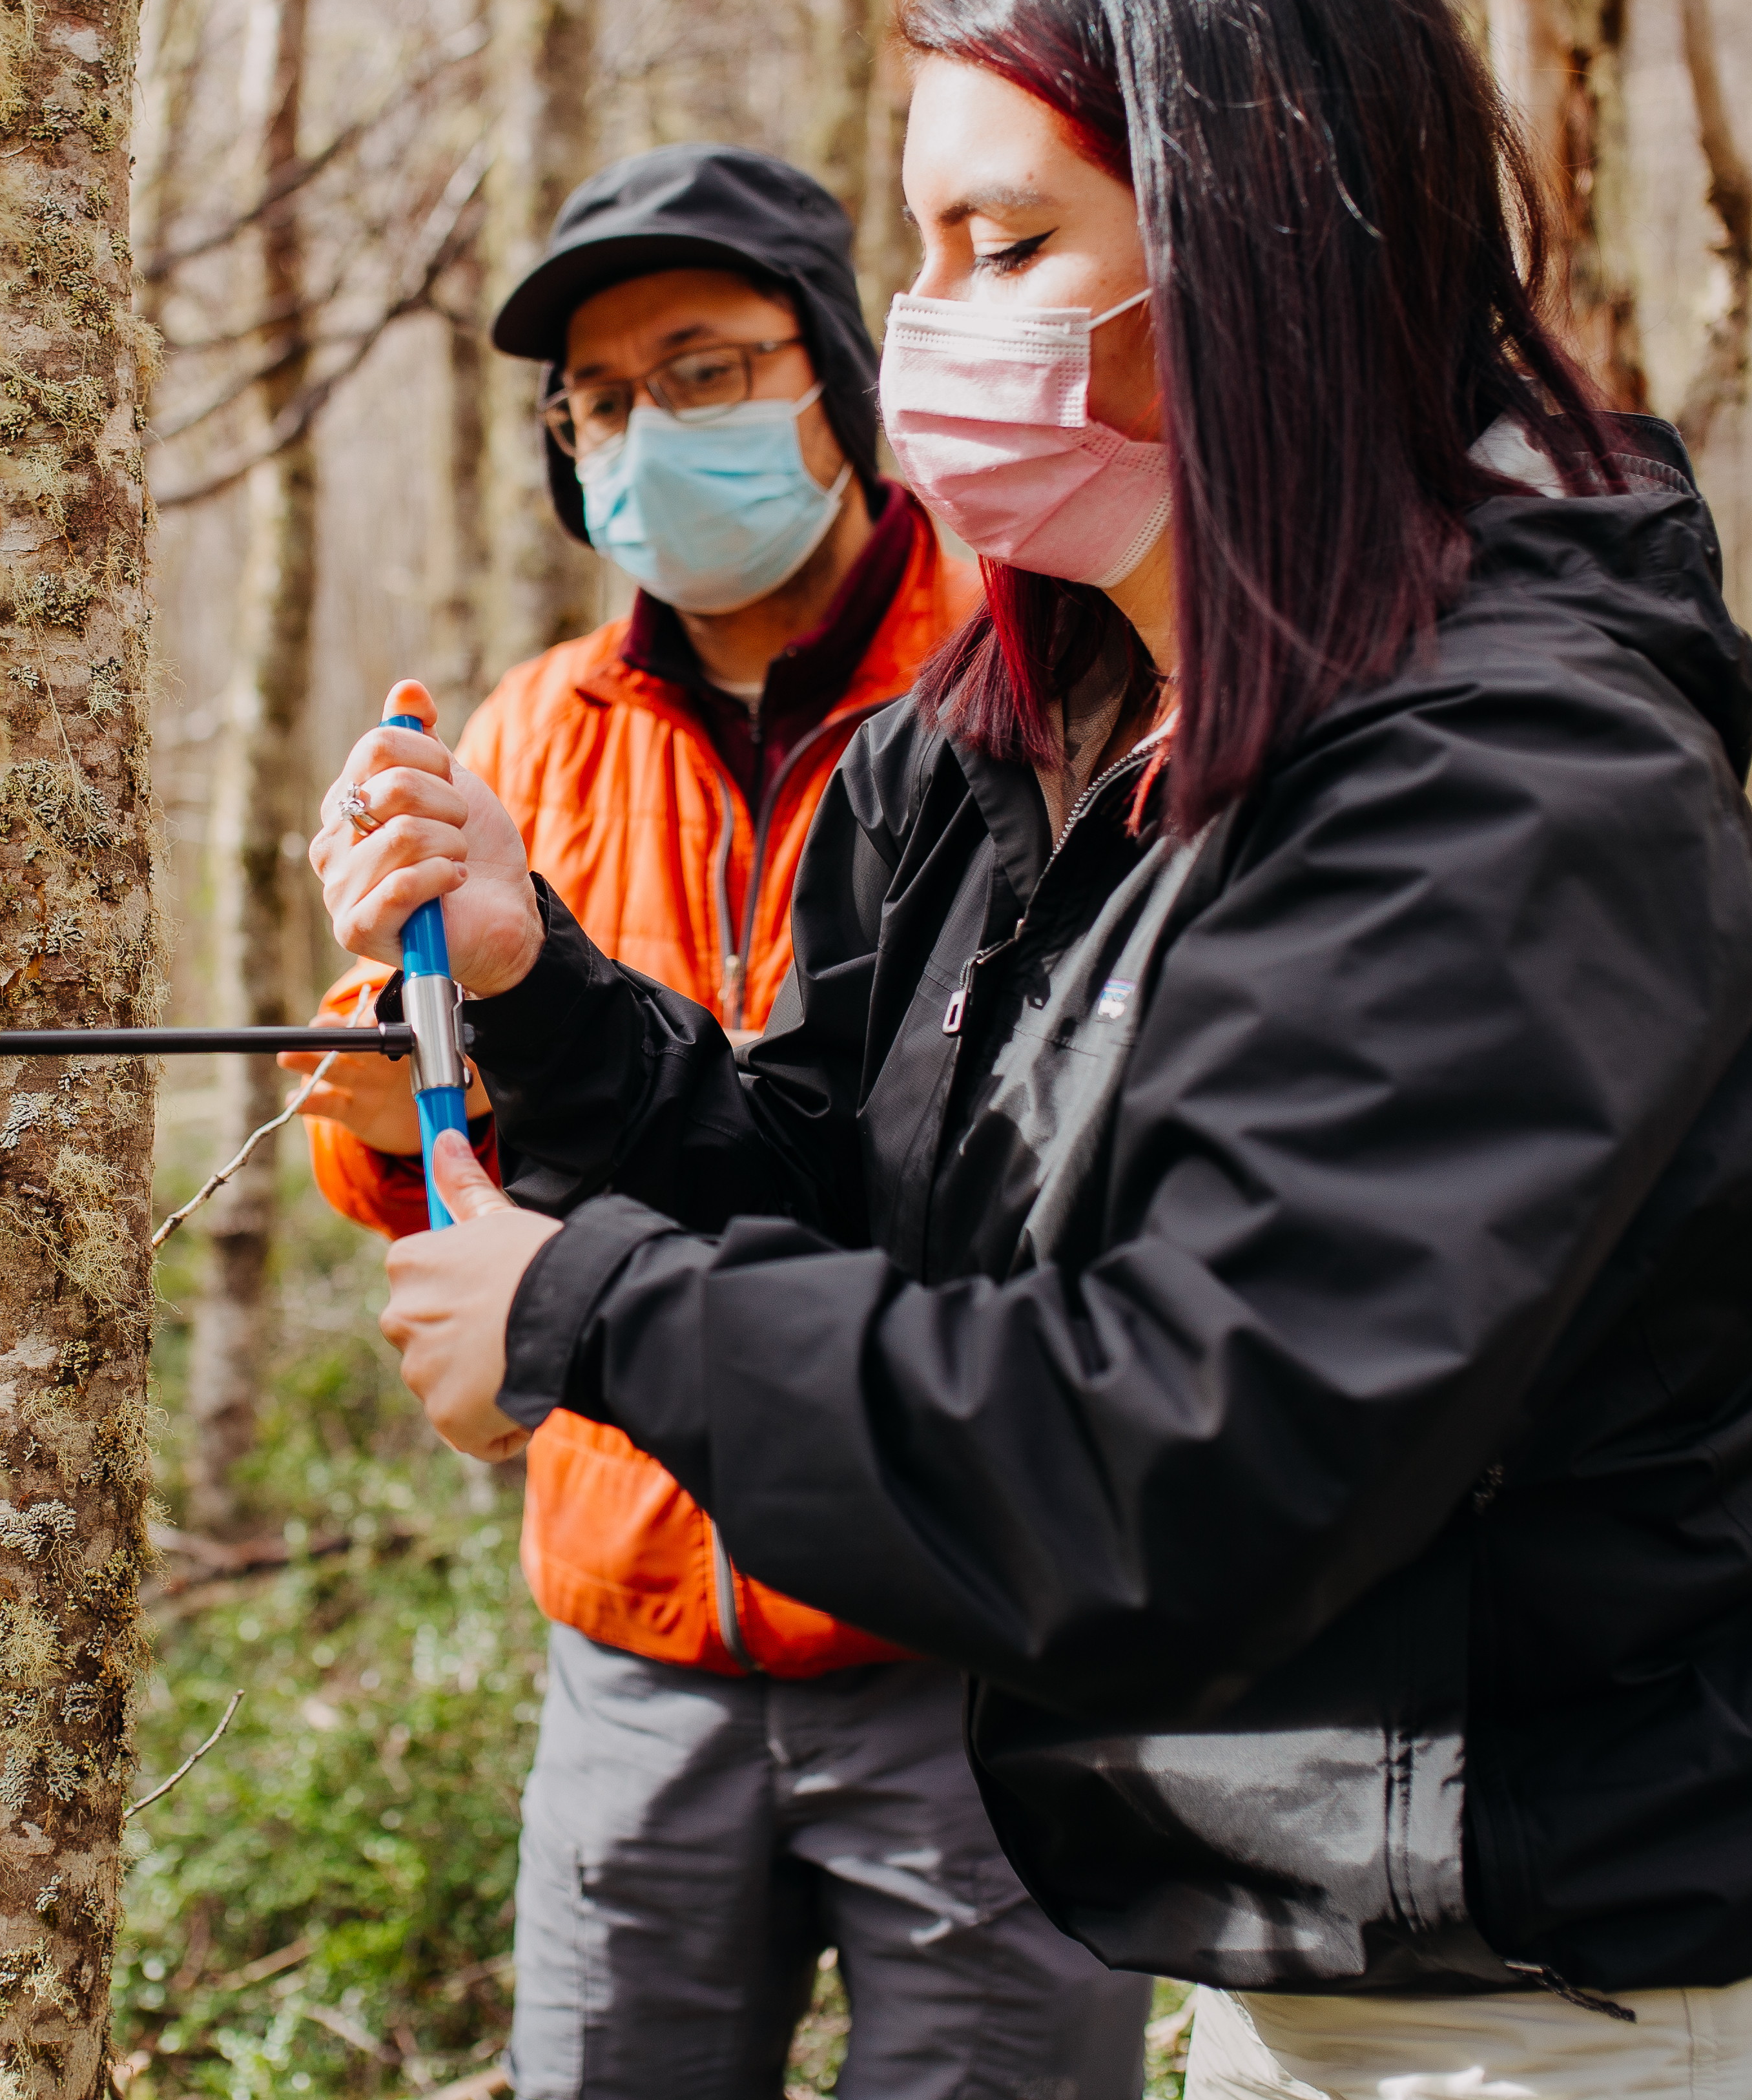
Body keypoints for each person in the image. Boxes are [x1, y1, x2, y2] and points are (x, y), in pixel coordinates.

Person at [313, 0, 1752, 2100]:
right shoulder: (1008, 743)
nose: (935, 323)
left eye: (1008, 249)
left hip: (1612, 1970)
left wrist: (583, 1313)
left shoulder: (1513, 785)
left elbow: (1195, 1454)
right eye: (921, 249)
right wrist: (538, 1003)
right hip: (1292, 1935)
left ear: (1266, 247)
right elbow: (832, 1185)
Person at [289, 143, 1153, 2100]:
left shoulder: (1028, 677)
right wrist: (371, 1096)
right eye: (598, 403)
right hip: (637, 1629)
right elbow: (425, 1162)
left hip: (966, 1623)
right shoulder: (524, 740)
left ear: (835, 382)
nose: (643, 437)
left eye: (703, 373)